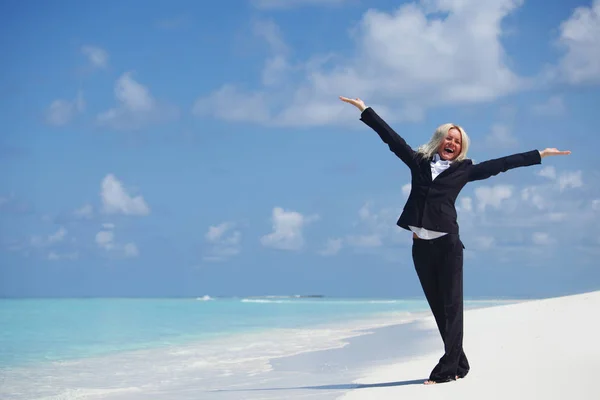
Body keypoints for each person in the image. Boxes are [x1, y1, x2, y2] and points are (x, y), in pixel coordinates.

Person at [339, 96, 571, 385]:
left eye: (457, 141)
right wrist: (365, 110)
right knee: (438, 307)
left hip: (448, 245)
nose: (452, 143)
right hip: (420, 248)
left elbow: (502, 164)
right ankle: (459, 362)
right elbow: (392, 139)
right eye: (448, 138)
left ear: (462, 148)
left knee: (452, 306)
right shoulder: (419, 162)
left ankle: (446, 369)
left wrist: (540, 154)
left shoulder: (465, 170)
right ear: (439, 140)